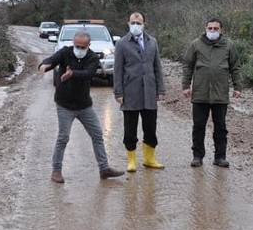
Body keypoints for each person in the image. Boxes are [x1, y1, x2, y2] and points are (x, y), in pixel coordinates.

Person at [38, 31, 125, 183]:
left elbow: (88, 73)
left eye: (82, 46)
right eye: (76, 45)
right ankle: (56, 170)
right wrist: (44, 65)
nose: (78, 49)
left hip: (84, 105)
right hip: (64, 104)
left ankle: (104, 168)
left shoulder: (93, 57)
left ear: (88, 46)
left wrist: (72, 74)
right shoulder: (65, 52)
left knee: (97, 135)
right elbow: (53, 60)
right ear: (73, 43)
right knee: (63, 137)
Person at [182, 17, 242, 168]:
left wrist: (238, 87)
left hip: (220, 94)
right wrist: (186, 85)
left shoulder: (228, 46)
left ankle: (220, 157)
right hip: (200, 93)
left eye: (216, 29)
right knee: (198, 126)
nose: (213, 31)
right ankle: (197, 156)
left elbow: (235, 67)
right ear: (205, 29)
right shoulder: (196, 44)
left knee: (220, 127)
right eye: (210, 28)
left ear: (221, 30)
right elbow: (188, 65)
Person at [113, 12, 166, 172]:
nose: (136, 25)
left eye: (139, 22)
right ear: (128, 23)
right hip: (130, 92)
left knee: (150, 126)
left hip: (149, 91)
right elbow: (118, 70)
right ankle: (131, 160)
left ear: (144, 24)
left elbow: (157, 67)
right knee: (130, 127)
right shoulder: (122, 44)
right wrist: (118, 92)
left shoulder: (152, 42)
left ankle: (149, 159)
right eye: (133, 22)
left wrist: (160, 88)